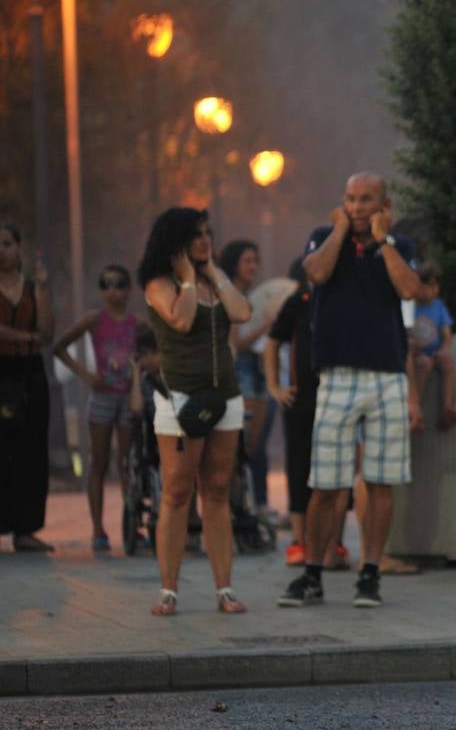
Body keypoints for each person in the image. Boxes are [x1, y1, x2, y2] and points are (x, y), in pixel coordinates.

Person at [277, 172, 422, 609]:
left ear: (384, 204)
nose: (357, 207)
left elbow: (410, 288)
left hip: (386, 375)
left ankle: (371, 573)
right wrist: (340, 229)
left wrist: (382, 244)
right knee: (326, 484)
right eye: (350, 199)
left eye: (366, 200)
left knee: (380, 481)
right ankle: (313, 574)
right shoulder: (324, 236)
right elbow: (316, 272)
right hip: (336, 375)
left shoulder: (401, 246)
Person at [138, 207, 253, 615]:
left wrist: (214, 274)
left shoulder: (213, 279)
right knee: (177, 493)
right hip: (181, 398)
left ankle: (225, 589)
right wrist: (188, 279)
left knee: (219, 489)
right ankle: (169, 590)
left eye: (208, 232)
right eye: (196, 235)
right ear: (176, 243)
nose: (205, 240)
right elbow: (182, 322)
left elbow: (241, 313)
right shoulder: (159, 284)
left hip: (225, 396)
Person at [265, 258, 352, 570]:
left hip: (341, 398)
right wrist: (275, 386)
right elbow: (273, 343)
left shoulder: (347, 299)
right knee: (300, 468)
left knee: (340, 475)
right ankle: (299, 542)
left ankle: (334, 543)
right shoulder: (299, 302)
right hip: (302, 401)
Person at [52, 264, 143, 551]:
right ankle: (98, 529)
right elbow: (60, 347)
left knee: (128, 464)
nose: (112, 290)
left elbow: (156, 350)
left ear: (129, 289)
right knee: (98, 463)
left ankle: (131, 525)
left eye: (118, 284)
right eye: (106, 284)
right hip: (102, 396)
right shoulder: (95, 319)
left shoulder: (137, 324)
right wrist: (86, 374)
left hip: (129, 397)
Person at [0, 222, 55, 553]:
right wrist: (25, 337)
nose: (1, 250)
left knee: (31, 449)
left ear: (18, 246)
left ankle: (26, 529)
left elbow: (47, 331)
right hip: (1, 370)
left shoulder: (34, 287)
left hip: (31, 373)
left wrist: (43, 291)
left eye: (6, 243)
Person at [219, 239, 277, 514]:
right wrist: (267, 324)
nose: (253, 266)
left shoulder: (253, 296)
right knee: (239, 446)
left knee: (255, 444)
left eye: (255, 260)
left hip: (258, 368)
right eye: (247, 261)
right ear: (234, 264)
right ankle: (234, 504)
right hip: (240, 370)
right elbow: (236, 344)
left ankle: (252, 503)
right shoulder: (230, 296)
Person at [410, 260, 456, 431]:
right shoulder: (410, 306)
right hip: (417, 354)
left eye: (435, 286)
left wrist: (444, 349)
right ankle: (416, 407)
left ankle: (448, 407)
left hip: (436, 352)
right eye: (428, 286)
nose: (433, 291)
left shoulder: (439, 306)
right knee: (423, 364)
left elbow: (446, 335)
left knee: (448, 361)